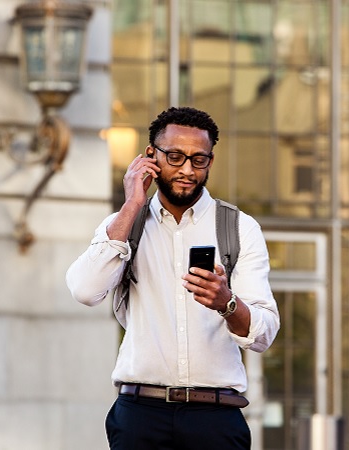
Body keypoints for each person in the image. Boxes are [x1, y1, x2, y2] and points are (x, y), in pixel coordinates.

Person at [65, 106, 280, 449]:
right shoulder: (123, 226)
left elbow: (263, 333)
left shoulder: (239, 228)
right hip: (140, 415)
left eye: (199, 160)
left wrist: (226, 303)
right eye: (175, 156)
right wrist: (132, 204)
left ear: (210, 160)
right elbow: (84, 290)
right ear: (151, 155)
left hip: (216, 418)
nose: (187, 170)